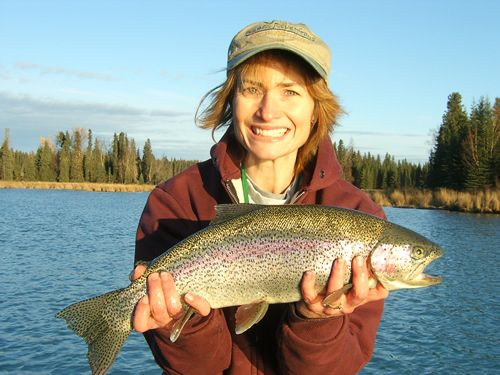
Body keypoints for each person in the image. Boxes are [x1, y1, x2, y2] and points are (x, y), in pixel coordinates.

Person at [131, 20, 389, 374]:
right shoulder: (175, 202)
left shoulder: (359, 217)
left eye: (290, 92)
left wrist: (317, 319)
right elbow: (201, 368)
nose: (268, 111)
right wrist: (181, 322)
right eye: (252, 89)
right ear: (230, 100)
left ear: (317, 108)